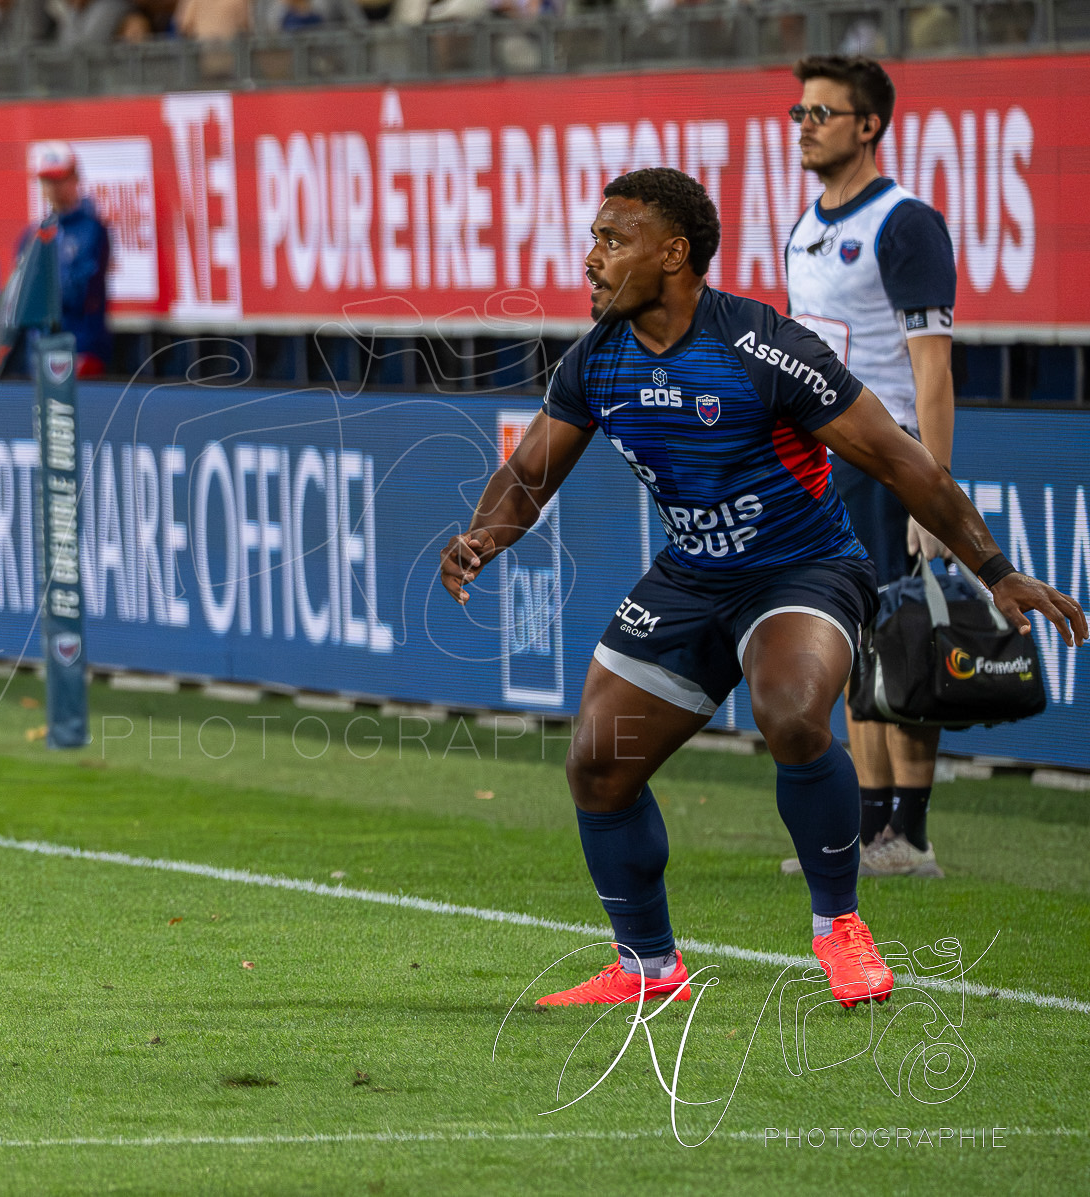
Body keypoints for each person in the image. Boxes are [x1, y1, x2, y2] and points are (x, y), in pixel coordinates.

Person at [440, 166, 1085, 1008]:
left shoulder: (760, 347)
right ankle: (647, 965)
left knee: (788, 709)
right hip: (692, 573)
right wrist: (487, 534)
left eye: (610, 239)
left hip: (804, 565)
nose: (589, 259)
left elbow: (899, 459)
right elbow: (529, 472)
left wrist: (997, 571)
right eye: (594, 239)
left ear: (673, 253)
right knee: (598, 764)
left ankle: (840, 928)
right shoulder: (597, 360)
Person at [780, 56, 958, 877]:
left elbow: (931, 368)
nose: (806, 123)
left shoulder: (904, 222)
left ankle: (911, 833)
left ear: (869, 125)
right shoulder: (804, 225)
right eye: (801, 111)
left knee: (902, 639)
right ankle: (868, 823)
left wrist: (933, 489)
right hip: (823, 471)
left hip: (888, 464)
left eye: (824, 111)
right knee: (849, 642)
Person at [18, 142, 110, 377]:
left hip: (80, 347)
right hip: (40, 349)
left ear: (75, 178)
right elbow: (19, 292)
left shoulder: (92, 229)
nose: (53, 187)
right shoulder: (35, 233)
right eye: (47, 180)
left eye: (59, 179)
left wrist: (41, 290)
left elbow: (80, 291)